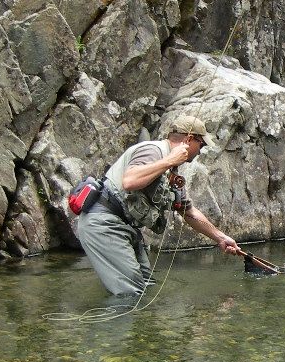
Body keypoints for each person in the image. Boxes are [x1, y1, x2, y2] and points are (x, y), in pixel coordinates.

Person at [77, 115, 241, 295]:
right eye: (201, 145)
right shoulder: (153, 151)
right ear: (189, 139)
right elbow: (130, 181)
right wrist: (170, 160)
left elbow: (189, 212)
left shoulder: (171, 172)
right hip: (104, 223)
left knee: (147, 285)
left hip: (125, 228)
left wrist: (220, 237)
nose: (200, 151)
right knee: (130, 294)